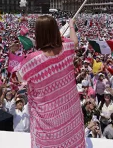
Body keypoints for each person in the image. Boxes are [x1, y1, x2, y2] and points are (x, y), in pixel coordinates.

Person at [17, 16, 85, 148]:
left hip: (47, 122)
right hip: (70, 113)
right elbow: (75, 42)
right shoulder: (67, 48)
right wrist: (71, 25)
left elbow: (20, 78)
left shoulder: (32, 60)